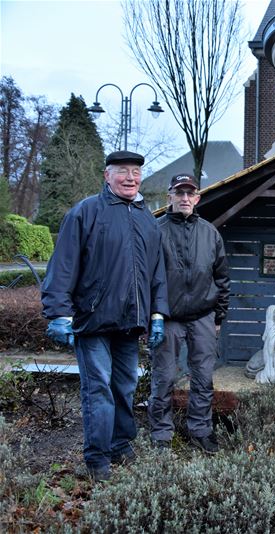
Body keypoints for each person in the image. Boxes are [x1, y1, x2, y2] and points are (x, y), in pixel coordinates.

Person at [41, 150, 169, 481]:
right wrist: (58, 312)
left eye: (136, 173)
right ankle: (97, 458)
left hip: (130, 323)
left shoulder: (146, 219)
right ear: (106, 175)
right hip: (93, 321)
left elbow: (157, 274)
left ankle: (120, 445)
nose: (130, 178)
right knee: (98, 389)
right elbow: (64, 265)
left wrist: (157, 313)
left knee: (125, 387)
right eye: (122, 171)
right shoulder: (85, 213)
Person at [148, 174, 230, 454]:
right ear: (169, 195)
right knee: (164, 377)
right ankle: (160, 434)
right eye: (179, 193)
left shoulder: (210, 233)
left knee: (203, 377)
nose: (184, 198)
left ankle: (201, 430)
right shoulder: (155, 231)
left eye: (190, 194)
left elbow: (222, 277)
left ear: (197, 198)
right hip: (167, 317)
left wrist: (218, 316)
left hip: (202, 316)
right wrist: (151, 315)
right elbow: (145, 276)